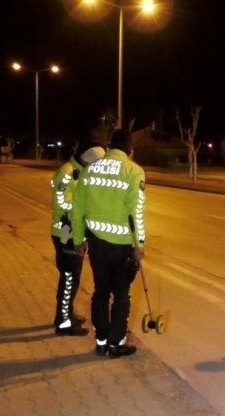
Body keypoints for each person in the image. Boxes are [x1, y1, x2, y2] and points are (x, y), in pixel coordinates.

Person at [72, 129, 146, 358]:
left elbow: (77, 209)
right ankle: (116, 344)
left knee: (100, 291)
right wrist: (139, 244)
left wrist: (78, 239)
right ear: (130, 150)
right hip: (123, 245)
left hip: (97, 244)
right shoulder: (133, 171)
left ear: (110, 146)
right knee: (121, 294)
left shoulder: (90, 169)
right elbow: (136, 212)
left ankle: (101, 342)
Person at [51, 143, 105, 336]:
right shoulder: (67, 172)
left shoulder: (80, 172)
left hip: (74, 234)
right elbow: (62, 202)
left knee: (72, 278)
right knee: (69, 278)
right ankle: (63, 322)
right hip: (65, 233)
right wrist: (85, 209)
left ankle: (66, 314)